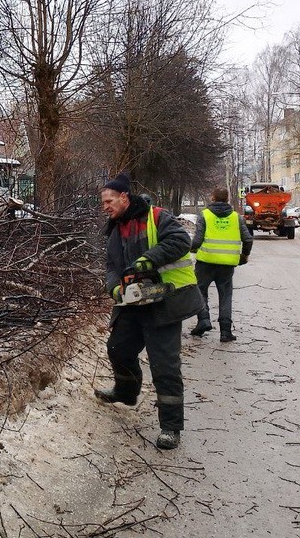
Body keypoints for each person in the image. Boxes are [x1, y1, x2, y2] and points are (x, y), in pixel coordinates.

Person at [94, 172, 204, 450]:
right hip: (133, 303)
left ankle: (171, 426)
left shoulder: (157, 217)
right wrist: (114, 289)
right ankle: (126, 392)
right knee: (118, 349)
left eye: (109, 201)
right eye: (103, 203)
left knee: (164, 365)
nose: (105, 207)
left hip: (165, 302)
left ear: (124, 197)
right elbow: (111, 266)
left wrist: (148, 260)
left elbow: (181, 241)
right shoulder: (116, 229)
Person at [189, 187, 253, 342]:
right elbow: (248, 239)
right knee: (225, 295)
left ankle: (203, 320)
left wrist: (191, 248)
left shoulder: (205, 215)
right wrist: (244, 256)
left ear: (213, 198)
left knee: (200, 291)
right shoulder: (236, 218)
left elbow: (197, 240)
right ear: (227, 199)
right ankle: (225, 332)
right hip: (227, 265)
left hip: (205, 262)